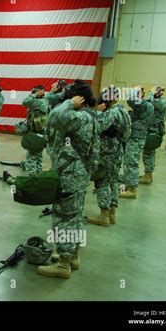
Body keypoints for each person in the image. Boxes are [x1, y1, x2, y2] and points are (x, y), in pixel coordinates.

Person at [37, 80, 99, 279]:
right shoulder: (91, 117)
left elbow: (53, 118)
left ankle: (63, 265)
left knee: (63, 217)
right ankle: (73, 256)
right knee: (76, 216)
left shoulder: (76, 116)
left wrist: (69, 104)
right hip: (81, 173)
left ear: (79, 98)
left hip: (70, 174)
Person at [88, 86, 131, 226]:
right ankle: (112, 214)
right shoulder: (123, 111)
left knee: (102, 182)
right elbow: (127, 133)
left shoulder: (111, 113)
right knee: (113, 181)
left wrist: (98, 113)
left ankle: (104, 215)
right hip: (117, 151)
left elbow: (99, 127)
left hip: (106, 152)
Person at [119, 86, 154, 199]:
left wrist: (134, 90)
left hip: (136, 138)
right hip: (134, 137)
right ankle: (129, 184)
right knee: (129, 161)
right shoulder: (141, 107)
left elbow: (131, 100)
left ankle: (132, 190)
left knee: (131, 162)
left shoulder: (145, 106)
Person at [139, 86, 166, 184]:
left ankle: (147, 176)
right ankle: (148, 175)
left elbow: (148, 102)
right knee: (149, 153)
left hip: (154, 132)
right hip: (151, 130)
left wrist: (152, 94)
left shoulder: (162, 101)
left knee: (148, 153)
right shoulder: (155, 100)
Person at [21, 85, 50, 176]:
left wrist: (34, 94)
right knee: (38, 155)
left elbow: (25, 102)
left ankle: (32, 176)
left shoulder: (38, 102)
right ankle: (39, 173)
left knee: (31, 156)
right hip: (42, 131)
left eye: (34, 92)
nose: (32, 94)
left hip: (35, 132)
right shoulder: (46, 101)